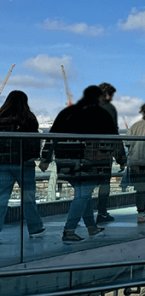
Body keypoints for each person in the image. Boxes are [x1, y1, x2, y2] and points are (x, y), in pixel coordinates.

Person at [40, 86, 119, 244]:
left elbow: (52, 136)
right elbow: (115, 139)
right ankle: (69, 230)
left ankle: (91, 227)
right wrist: (120, 159)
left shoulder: (66, 112)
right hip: (89, 162)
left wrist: (45, 158)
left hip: (64, 161)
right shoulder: (101, 114)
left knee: (84, 194)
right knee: (83, 195)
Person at [0, 90, 46, 239]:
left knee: (1, 198)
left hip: (3, 163)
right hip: (24, 163)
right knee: (28, 197)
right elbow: (34, 142)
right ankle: (35, 228)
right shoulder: (29, 119)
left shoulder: (1, 118)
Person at [94, 82, 122, 224]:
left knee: (86, 186)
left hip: (87, 153)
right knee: (104, 184)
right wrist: (121, 158)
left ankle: (84, 214)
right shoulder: (109, 109)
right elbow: (114, 133)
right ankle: (102, 213)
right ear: (107, 95)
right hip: (103, 153)